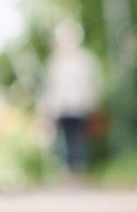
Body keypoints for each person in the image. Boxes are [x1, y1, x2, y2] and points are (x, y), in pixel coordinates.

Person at [40, 20, 104, 173]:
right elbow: (50, 86)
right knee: (63, 141)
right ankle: (68, 170)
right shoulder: (56, 61)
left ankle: (77, 170)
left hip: (80, 106)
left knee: (78, 139)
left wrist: (92, 102)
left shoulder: (84, 59)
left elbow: (93, 82)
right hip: (61, 108)